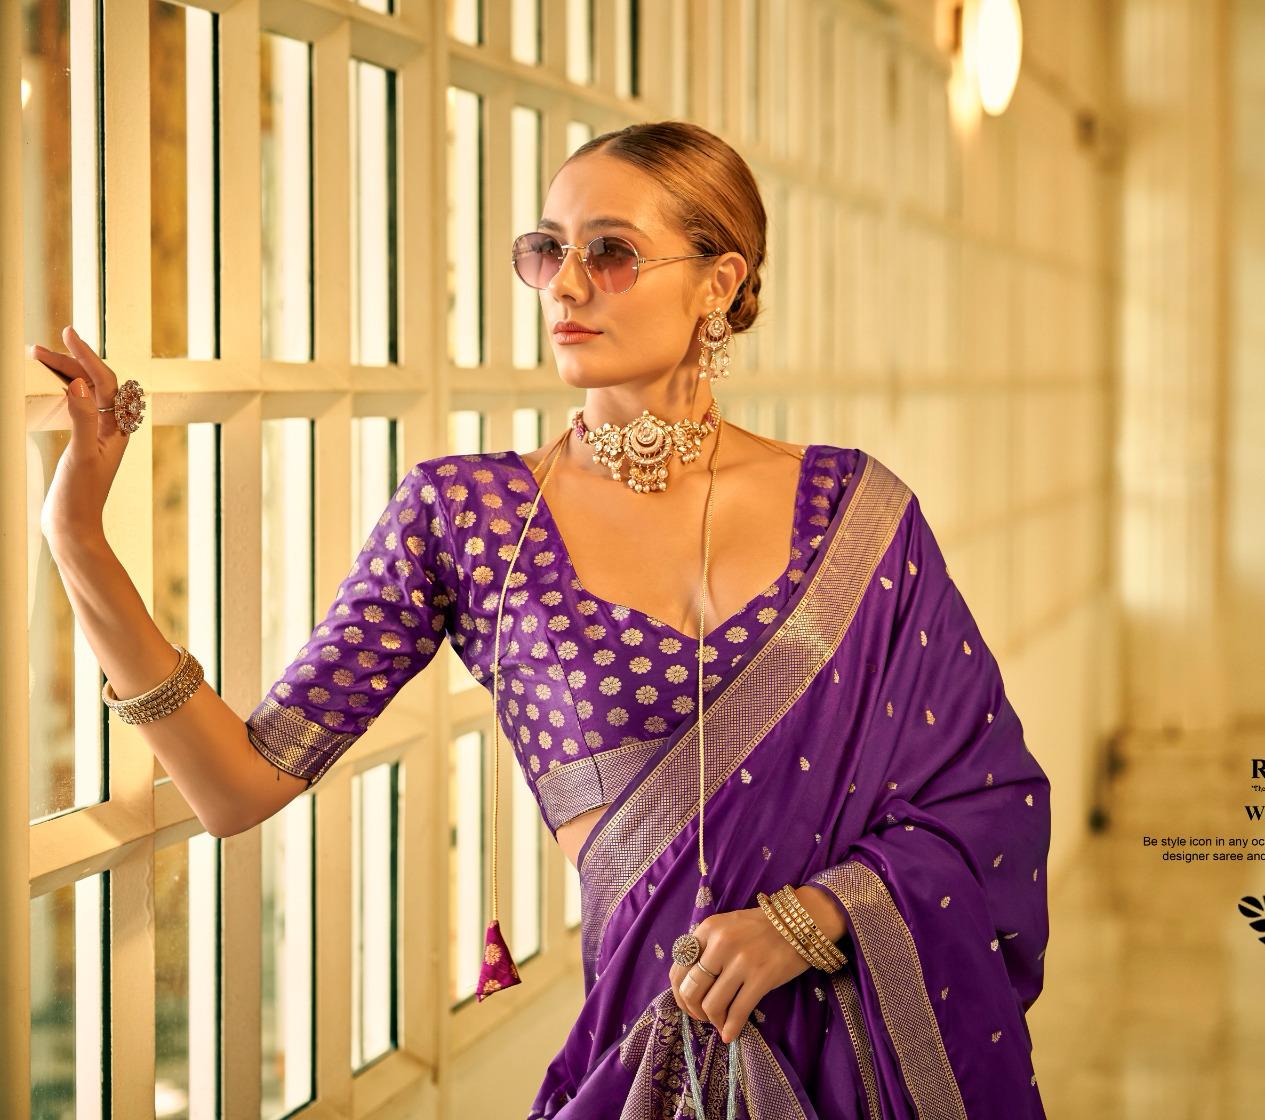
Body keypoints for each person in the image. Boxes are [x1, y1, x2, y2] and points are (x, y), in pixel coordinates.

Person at [33, 119, 1050, 1119]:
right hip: (645, 1068)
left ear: (719, 282)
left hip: (865, 1076)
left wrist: (813, 915)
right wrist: (77, 536)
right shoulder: (469, 516)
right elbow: (236, 785)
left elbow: (989, 801)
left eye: (609, 253)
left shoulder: (856, 514)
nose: (563, 286)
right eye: (545, 250)